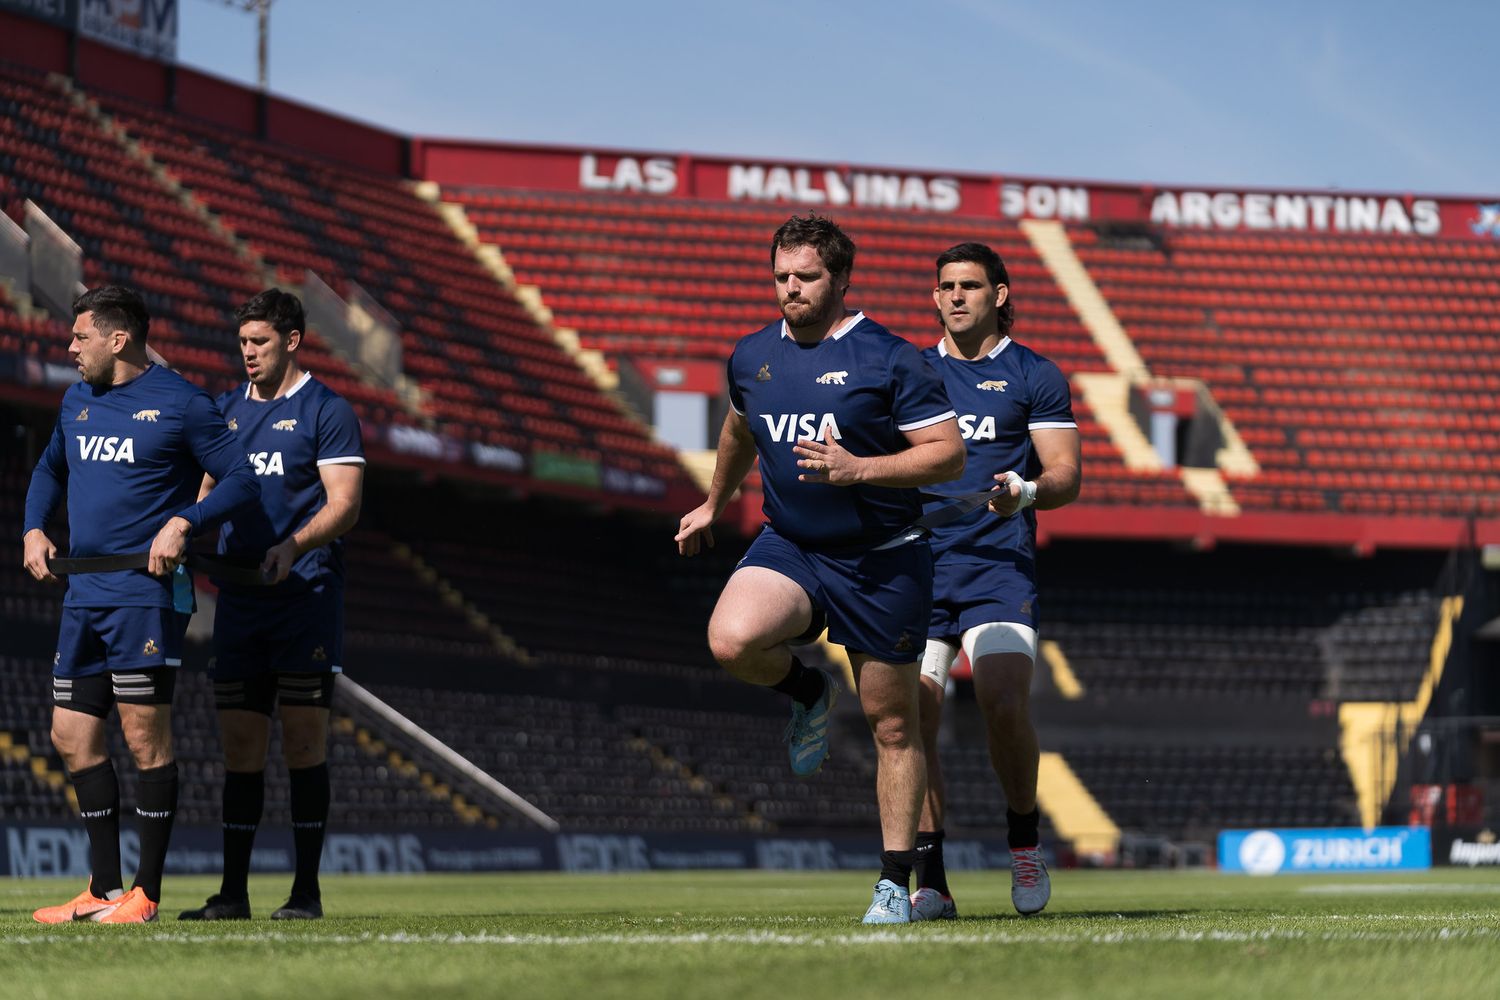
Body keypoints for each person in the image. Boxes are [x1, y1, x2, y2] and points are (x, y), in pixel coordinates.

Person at [676, 215, 964, 923]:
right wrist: (715, 502)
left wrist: (859, 468)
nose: (790, 289)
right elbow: (741, 426)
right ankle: (808, 691)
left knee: (893, 728)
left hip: (883, 560)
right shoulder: (751, 357)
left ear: (840, 279)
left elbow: (947, 454)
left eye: (805, 277)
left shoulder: (891, 359)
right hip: (794, 546)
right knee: (731, 639)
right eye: (780, 277)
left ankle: (896, 883)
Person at [22, 285, 261, 924]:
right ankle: (101, 890)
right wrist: (33, 527)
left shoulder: (183, 403)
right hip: (83, 593)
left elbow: (242, 478)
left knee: (142, 738)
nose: (69, 348)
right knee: (69, 735)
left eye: (80, 337)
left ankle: (145, 894)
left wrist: (187, 520)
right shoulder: (76, 400)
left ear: (117, 338)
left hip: (146, 595)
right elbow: (49, 470)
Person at [178, 288, 364, 922]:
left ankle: (305, 893)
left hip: (304, 597)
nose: (248, 353)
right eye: (242, 344)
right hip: (240, 602)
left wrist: (292, 544)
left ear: (292, 341)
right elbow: (205, 489)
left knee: (305, 744)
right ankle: (233, 895)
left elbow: (345, 504)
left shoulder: (327, 411)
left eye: (258, 342)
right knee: (239, 749)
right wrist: (182, 527)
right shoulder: (226, 411)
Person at [907, 243, 1081, 920]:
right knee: (913, 716)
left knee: (1004, 701)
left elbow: (1065, 472)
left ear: (999, 295)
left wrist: (1028, 491)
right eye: (945, 285)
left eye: (970, 286)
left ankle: (1023, 842)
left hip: (996, 569)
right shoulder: (911, 371)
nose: (954, 297)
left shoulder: (1034, 374)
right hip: (917, 570)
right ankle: (931, 879)